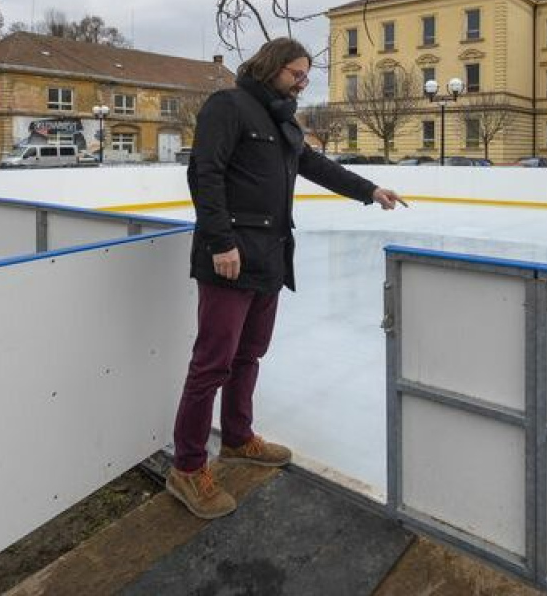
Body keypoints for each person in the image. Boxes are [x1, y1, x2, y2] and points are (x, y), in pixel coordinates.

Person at [167, 37, 406, 519]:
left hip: (271, 256)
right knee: (212, 363)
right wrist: (220, 242)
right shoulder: (228, 106)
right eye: (296, 73)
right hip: (230, 256)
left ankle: (237, 438)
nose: (303, 81)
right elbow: (204, 174)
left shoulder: (281, 118)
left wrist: (370, 189)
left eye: (305, 75)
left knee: (249, 354)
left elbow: (314, 165)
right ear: (271, 67)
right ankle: (188, 467)